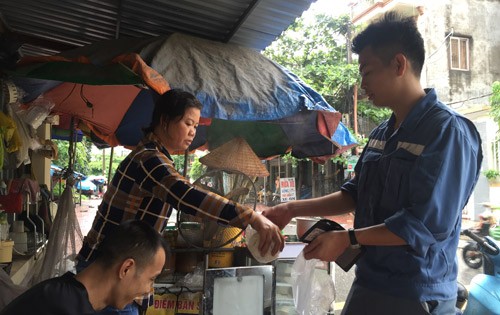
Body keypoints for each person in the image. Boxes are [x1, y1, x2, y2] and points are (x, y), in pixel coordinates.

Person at [263, 12, 482, 315]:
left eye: (366, 71)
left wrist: (346, 238)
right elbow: (355, 193)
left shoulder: (448, 133)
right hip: (369, 281)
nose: (362, 83)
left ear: (399, 64)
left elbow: (423, 226)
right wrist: (291, 209)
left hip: (414, 292)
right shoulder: (382, 133)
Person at [76, 89, 284, 315]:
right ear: (164, 121)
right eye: (188, 123)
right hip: (110, 273)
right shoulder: (149, 159)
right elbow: (186, 195)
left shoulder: (156, 157)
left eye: (195, 126)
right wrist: (251, 217)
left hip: (119, 272)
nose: (193, 132)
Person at [0, 220, 166, 315]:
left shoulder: (65, 295)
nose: (147, 290)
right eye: (151, 279)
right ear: (126, 268)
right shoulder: (58, 306)